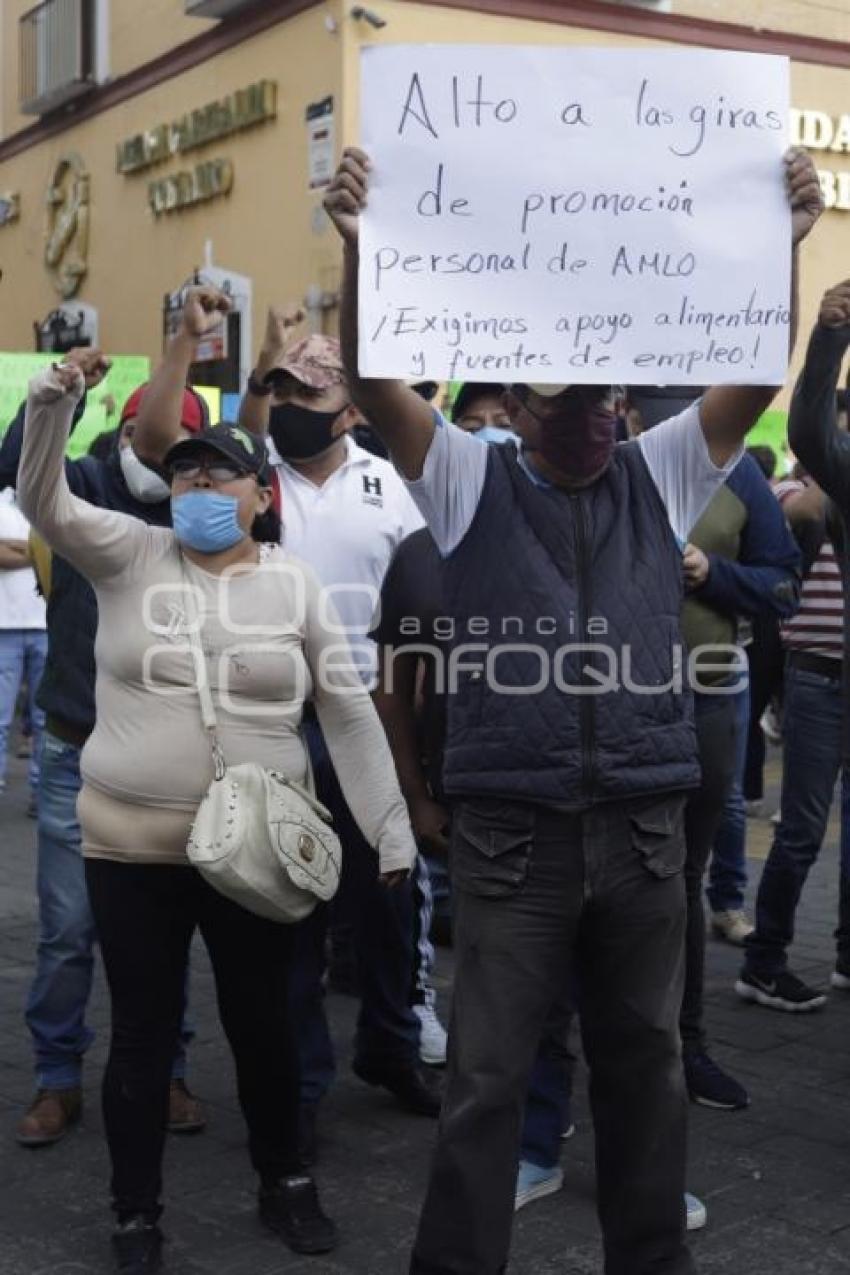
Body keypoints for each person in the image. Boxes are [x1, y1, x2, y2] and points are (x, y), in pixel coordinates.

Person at [323, 142, 823, 1274]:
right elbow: (372, 376)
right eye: (563, 394)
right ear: (520, 400)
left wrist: (776, 251)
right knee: (487, 1080)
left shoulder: (662, 473)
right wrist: (361, 253)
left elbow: (753, 368)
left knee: (646, 1068)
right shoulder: (466, 477)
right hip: (514, 841)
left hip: (643, 831)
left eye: (604, 394)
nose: (589, 412)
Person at [17, 363, 417, 1272]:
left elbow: (349, 711)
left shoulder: (295, 583)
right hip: (131, 849)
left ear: (258, 492)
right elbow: (41, 499)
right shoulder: (128, 552)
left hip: (261, 856)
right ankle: (134, 1213)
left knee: (264, 1025)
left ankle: (286, 1183)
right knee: (143, 1035)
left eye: (219, 472)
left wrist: (390, 828)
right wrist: (49, 409)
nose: (199, 483)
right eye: (187, 472)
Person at [134, 305, 445, 1148]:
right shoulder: (243, 475)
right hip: (273, 725)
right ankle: (301, 1083)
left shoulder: (395, 484)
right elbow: (161, 433)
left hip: (370, 721)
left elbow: (421, 604)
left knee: (390, 903)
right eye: (280, 388)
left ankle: (390, 1045)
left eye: (309, 390)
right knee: (290, 909)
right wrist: (214, 351)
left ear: (350, 407)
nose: (291, 402)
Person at [0, 346, 210, 1147]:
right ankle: (57, 1078)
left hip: (163, 757)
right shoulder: (84, 491)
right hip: (71, 749)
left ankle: (167, 1069)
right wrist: (60, 399)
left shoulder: (196, 524)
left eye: (185, 451)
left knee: (166, 926)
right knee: (65, 927)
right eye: (144, 434)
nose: (158, 454)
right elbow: (26, 475)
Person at [736, 279, 850, 1010]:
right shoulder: (836, 474)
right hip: (822, 680)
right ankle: (764, 956)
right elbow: (808, 431)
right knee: (803, 827)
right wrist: (829, 338)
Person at [675, 453, 801, 1113]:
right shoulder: (595, 448)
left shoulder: (737, 472)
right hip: (594, 698)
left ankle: (684, 1044)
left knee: (679, 876)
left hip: (705, 699)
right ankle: (553, 1066)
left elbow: (783, 585)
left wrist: (710, 572)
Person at [0, 487, 47, 816]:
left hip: (47, 625)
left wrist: (17, 548)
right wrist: (39, 550)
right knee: (0, 718)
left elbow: (61, 551)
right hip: (4, 626)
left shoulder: (49, 502)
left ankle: (41, 789)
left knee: (46, 720)